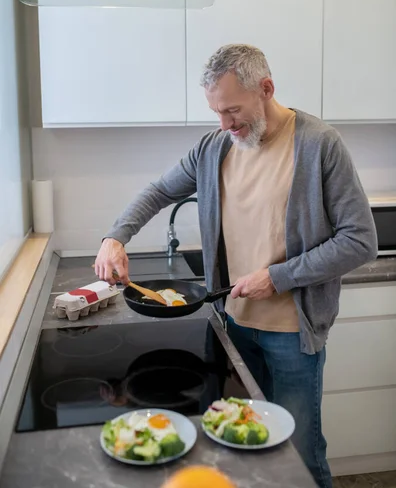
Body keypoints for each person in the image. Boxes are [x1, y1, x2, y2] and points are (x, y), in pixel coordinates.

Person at [95, 44, 378, 488]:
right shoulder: (214, 148)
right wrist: (115, 237)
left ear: (266, 89)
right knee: (243, 452)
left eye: (231, 110)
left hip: (292, 336)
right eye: (217, 112)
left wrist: (278, 277)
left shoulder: (319, 144)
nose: (224, 124)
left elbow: (361, 241)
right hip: (233, 330)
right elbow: (157, 191)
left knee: (299, 455)